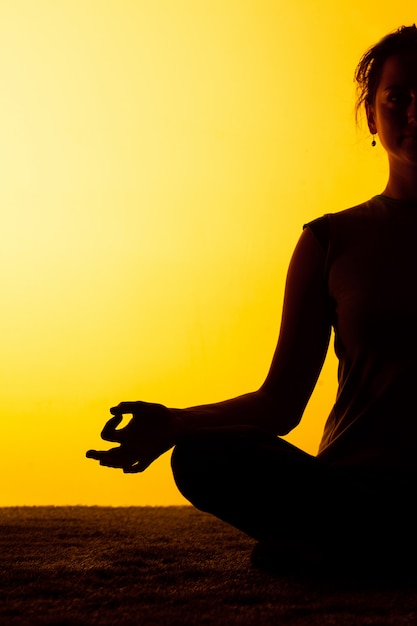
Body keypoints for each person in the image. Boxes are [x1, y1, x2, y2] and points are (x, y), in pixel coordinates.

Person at [87, 25, 417, 575]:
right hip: (352, 488)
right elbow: (280, 403)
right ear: (371, 116)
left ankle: (348, 556)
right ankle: (373, 551)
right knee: (205, 455)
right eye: (398, 98)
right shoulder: (330, 239)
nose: (414, 113)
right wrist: (176, 423)